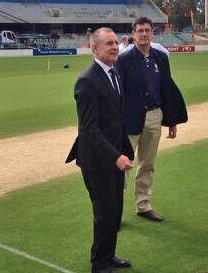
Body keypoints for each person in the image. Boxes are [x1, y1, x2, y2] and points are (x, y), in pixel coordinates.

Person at [66, 27, 134, 273]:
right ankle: (99, 263)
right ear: (94, 49)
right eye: (108, 43)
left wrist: (123, 151)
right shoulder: (87, 80)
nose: (115, 47)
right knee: (104, 213)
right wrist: (115, 156)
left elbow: (116, 120)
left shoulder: (113, 73)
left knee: (115, 211)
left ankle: (109, 254)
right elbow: (89, 129)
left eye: (116, 42)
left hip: (114, 157)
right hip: (97, 160)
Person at [116, 17, 187, 222]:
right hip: (130, 119)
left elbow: (167, 90)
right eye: (140, 31)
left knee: (147, 164)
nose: (144, 34)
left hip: (155, 116)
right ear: (133, 34)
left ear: (152, 33)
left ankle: (143, 205)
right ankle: (116, 213)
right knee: (124, 166)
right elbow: (118, 93)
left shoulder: (161, 57)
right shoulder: (124, 60)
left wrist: (171, 120)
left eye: (147, 30)